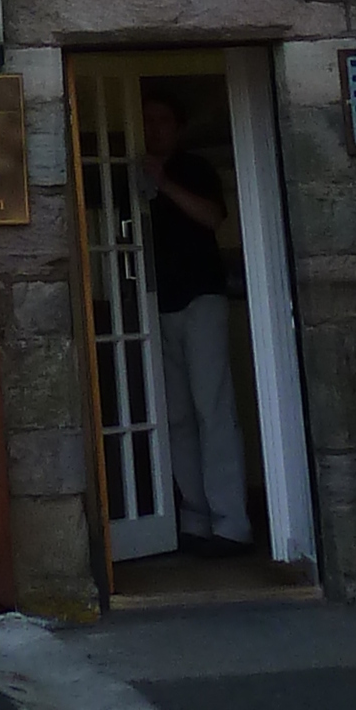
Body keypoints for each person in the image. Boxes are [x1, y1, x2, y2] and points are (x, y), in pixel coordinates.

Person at [136, 82, 251, 554]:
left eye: (162, 119)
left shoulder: (195, 169)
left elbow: (211, 218)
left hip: (201, 298)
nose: (153, 128)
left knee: (213, 410)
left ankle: (232, 523)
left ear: (178, 128)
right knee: (177, 416)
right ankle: (195, 520)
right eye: (146, 119)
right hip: (154, 303)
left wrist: (163, 183)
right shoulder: (129, 174)